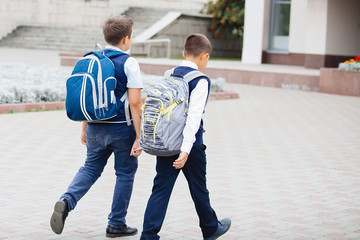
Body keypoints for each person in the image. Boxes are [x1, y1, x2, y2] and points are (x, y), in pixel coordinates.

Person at [50, 15, 143, 238]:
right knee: (124, 174)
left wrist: (84, 129)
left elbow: (88, 97)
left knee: (90, 169)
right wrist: (140, 137)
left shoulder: (93, 58)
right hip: (123, 128)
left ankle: (66, 200)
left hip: (94, 126)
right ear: (126, 38)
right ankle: (116, 224)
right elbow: (135, 103)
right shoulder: (129, 62)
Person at [140, 33, 231, 240]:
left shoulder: (170, 74)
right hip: (190, 145)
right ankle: (210, 228)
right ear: (205, 56)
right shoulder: (200, 80)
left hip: (166, 141)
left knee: (161, 188)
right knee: (199, 186)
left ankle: (148, 235)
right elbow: (194, 117)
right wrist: (186, 149)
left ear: (183, 53)